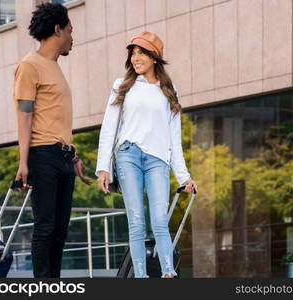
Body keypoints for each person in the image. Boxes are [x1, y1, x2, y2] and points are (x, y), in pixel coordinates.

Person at [96, 31, 198, 278]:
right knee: (137, 221)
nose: (135, 57)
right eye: (133, 53)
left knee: (160, 220)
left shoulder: (169, 90)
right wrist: (103, 167)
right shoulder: (121, 86)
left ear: (154, 57)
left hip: (158, 161)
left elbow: (175, 137)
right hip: (128, 155)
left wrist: (184, 176)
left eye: (141, 52)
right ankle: (140, 277)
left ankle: (168, 273)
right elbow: (109, 127)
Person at [13, 2, 91, 278]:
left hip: (62, 157)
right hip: (41, 154)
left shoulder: (54, 68)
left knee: (60, 231)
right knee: (45, 229)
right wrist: (23, 163)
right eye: (70, 29)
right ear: (58, 29)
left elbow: (55, 118)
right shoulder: (29, 65)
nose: (73, 36)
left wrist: (73, 156)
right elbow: (24, 115)